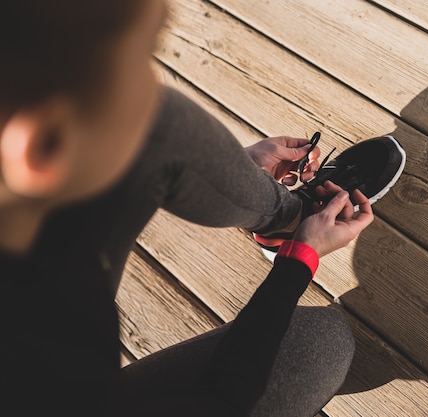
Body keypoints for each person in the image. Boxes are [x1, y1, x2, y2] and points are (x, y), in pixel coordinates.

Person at [0, 1, 385, 416]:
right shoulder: (40, 357)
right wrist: (300, 260)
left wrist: (230, 170)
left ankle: (286, 219)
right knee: (322, 343)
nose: (157, 89)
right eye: (141, 62)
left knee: (162, 132)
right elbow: (220, 402)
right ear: (44, 144)